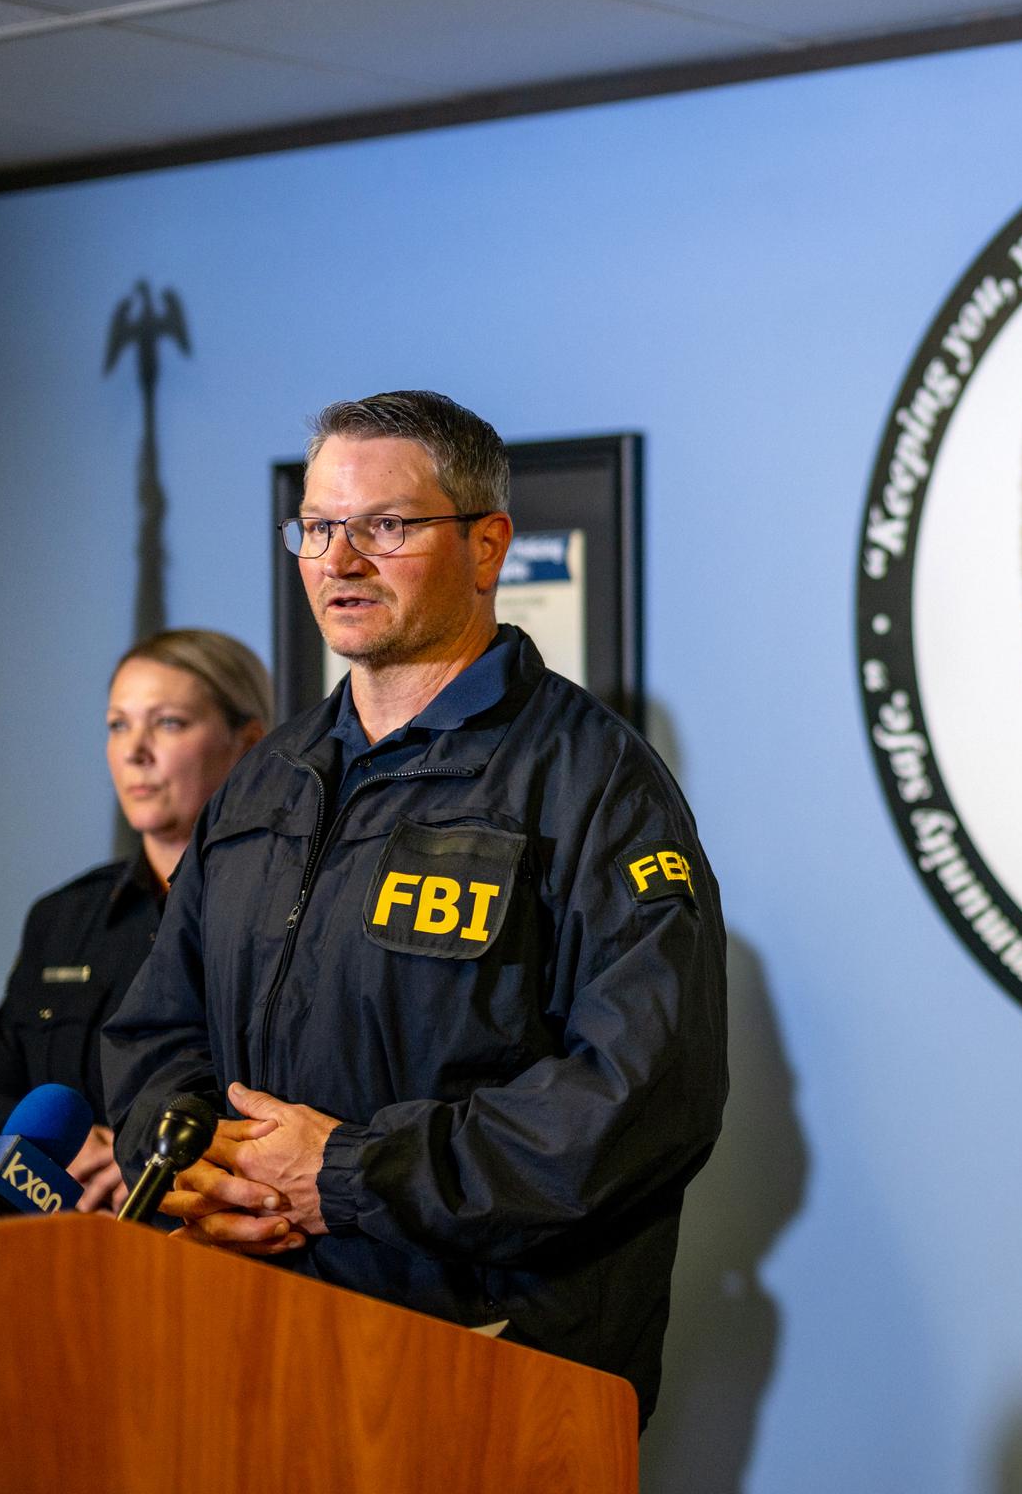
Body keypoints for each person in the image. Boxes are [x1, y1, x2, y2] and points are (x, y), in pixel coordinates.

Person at [102, 390, 726, 1422]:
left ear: (488, 548)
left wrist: (348, 1172)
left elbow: (641, 1096)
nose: (339, 560)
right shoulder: (266, 785)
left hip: (488, 1371)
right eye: (318, 527)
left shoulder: (590, 782)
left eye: (386, 527)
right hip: (257, 1346)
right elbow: (154, 1027)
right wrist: (185, 1152)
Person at [0, 629, 269, 1210]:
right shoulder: (64, 917)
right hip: (58, 1238)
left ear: (247, 743)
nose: (135, 751)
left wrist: (151, 1163)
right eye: (118, 724)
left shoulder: (283, 917)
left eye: (169, 723)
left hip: (212, 1249)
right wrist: (51, 1154)